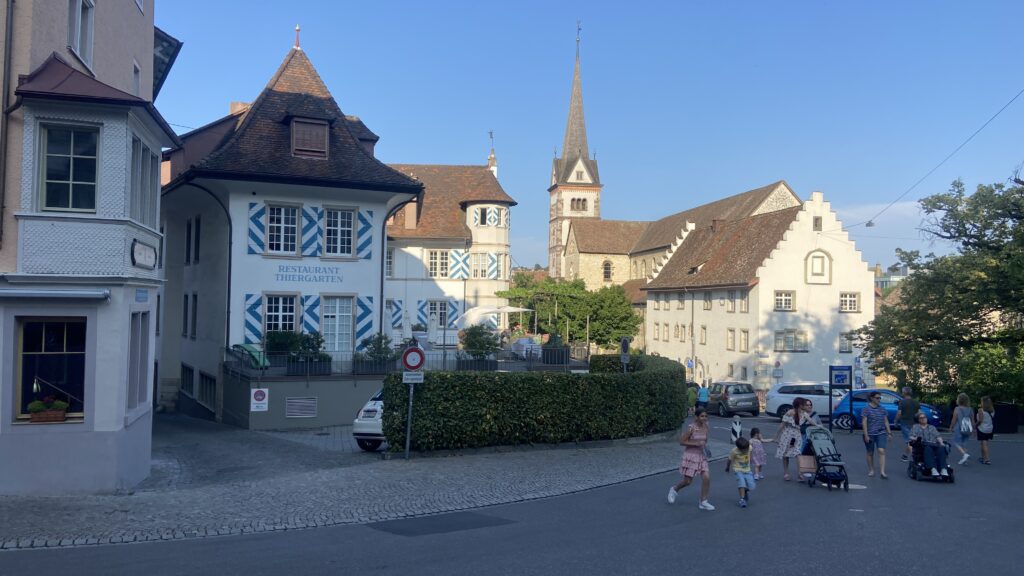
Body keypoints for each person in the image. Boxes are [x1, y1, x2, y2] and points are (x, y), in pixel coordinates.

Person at [668, 408, 715, 511]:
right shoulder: (691, 428)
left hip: (701, 456)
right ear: (696, 417)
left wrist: (704, 446)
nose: (704, 418)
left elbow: (705, 440)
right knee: (688, 481)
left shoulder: (706, 427)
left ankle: (703, 502)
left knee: (706, 477)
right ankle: (674, 489)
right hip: (691, 456)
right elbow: (681, 441)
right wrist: (696, 443)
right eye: (702, 416)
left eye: (706, 416)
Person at [774, 397, 816, 480]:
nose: (806, 406)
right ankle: (786, 473)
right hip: (787, 434)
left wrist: (818, 426)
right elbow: (782, 424)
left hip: (797, 435)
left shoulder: (804, 414)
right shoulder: (790, 412)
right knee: (786, 454)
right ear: (800, 405)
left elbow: (811, 421)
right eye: (804, 404)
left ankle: (800, 473)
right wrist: (776, 436)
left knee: (798, 453)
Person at [861, 391, 893, 479]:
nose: (879, 399)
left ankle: (882, 472)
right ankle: (871, 470)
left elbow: (886, 421)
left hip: (881, 433)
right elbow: (864, 422)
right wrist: (866, 435)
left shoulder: (882, 409)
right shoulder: (866, 409)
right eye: (877, 398)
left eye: (880, 398)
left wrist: (889, 433)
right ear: (872, 398)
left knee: (881, 450)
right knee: (870, 452)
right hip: (870, 433)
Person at [908, 412, 949, 477]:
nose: (924, 419)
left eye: (924, 417)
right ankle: (933, 469)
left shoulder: (932, 427)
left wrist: (941, 443)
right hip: (922, 445)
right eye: (921, 418)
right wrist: (916, 438)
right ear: (918, 420)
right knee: (928, 448)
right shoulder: (915, 427)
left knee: (941, 447)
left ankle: (943, 469)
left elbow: (938, 436)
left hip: (934, 444)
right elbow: (910, 436)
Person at [725, 436, 755, 507]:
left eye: (747, 449)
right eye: (744, 450)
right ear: (739, 449)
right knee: (741, 483)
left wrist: (751, 460)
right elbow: (729, 460)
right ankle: (742, 500)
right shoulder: (734, 451)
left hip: (747, 469)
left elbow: (750, 453)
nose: (746, 451)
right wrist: (727, 467)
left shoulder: (749, 448)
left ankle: (745, 490)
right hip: (738, 469)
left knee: (752, 486)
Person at [894, 386, 920, 462]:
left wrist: (896, 421)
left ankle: (915, 457)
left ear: (904, 393)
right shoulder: (915, 402)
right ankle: (905, 456)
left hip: (905, 423)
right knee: (912, 440)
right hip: (914, 423)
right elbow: (919, 413)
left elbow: (899, 413)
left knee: (910, 441)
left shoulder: (902, 402)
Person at [949, 393, 974, 466]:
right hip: (968, 428)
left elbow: (954, 419)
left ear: (959, 400)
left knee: (956, 442)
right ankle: (965, 460)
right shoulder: (970, 409)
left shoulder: (957, 409)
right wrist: (973, 429)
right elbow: (972, 420)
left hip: (959, 428)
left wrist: (951, 427)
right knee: (964, 444)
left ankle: (964, 454)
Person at [975, 396, 994, 465]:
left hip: (982, 428)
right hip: (989, 428)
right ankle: (983, 458)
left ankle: (986, 459)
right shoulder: (992, 410)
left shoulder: (980, 410)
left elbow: (980, 420)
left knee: (984, 444)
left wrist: (975, 425)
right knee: (983, 443)